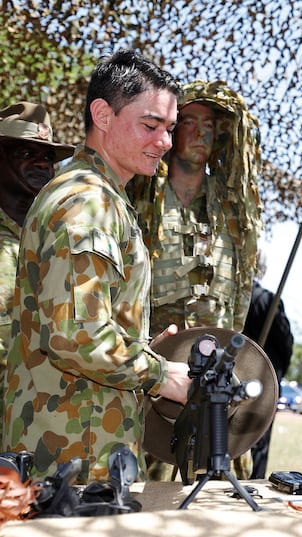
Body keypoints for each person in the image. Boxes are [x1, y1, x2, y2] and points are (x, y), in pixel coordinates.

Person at [1, 49, 191, 484]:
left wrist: (140, 347)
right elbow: (76, 336)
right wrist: (162, 375)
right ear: (103, 115)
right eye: (150, 125)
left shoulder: (97, 197)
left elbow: (79, 322)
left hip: (76, 441)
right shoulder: (89, 203)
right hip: (75, 457)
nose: (164, 142)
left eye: (169, 129)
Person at [127, 79, 263, 480]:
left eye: (210, 125)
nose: (201, 133)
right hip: (154, 384)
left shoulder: (232, 214)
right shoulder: (141, 200)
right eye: (190, 122)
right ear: (171, 130)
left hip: (217, 389)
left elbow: (240, 295)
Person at [0, 102, 74, 399]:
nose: (43, 164)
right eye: (27, 154)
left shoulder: (60, 238)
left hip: (42, 422)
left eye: (47, 156)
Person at [243, 249, 294, 479]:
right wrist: (278, 372)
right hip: (264, 382)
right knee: (258, 443)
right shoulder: (267, 301)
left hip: (234, 381)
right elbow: (286, 344)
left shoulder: (234, 300)